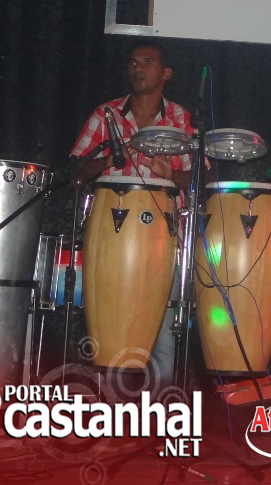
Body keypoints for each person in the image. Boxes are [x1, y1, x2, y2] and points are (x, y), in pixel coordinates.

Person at [70, 41, 195, 391]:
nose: (137, 67)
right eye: (132, 62)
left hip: (164, 241)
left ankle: (159, 413)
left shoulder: (181, 119)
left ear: (166, 73)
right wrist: (110, 160)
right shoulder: (106, 115)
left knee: (163, 338)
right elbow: (77, 173)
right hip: (112, 239)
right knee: (110, 332)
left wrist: (172, 175)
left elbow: (201, 180)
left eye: (147, 61)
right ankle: (106, 410)